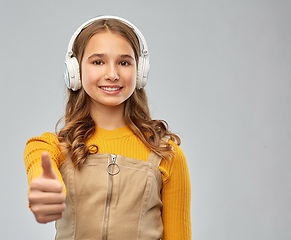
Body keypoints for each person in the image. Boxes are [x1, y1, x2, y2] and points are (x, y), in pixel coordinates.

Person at [24, 16, 191, 240]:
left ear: (140, 72)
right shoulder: (56, 148)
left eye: (124, 62)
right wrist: (44, 184)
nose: (112, 74)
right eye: (98, 62)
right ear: (75, 72)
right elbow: (37, 155)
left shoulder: (166, 155)